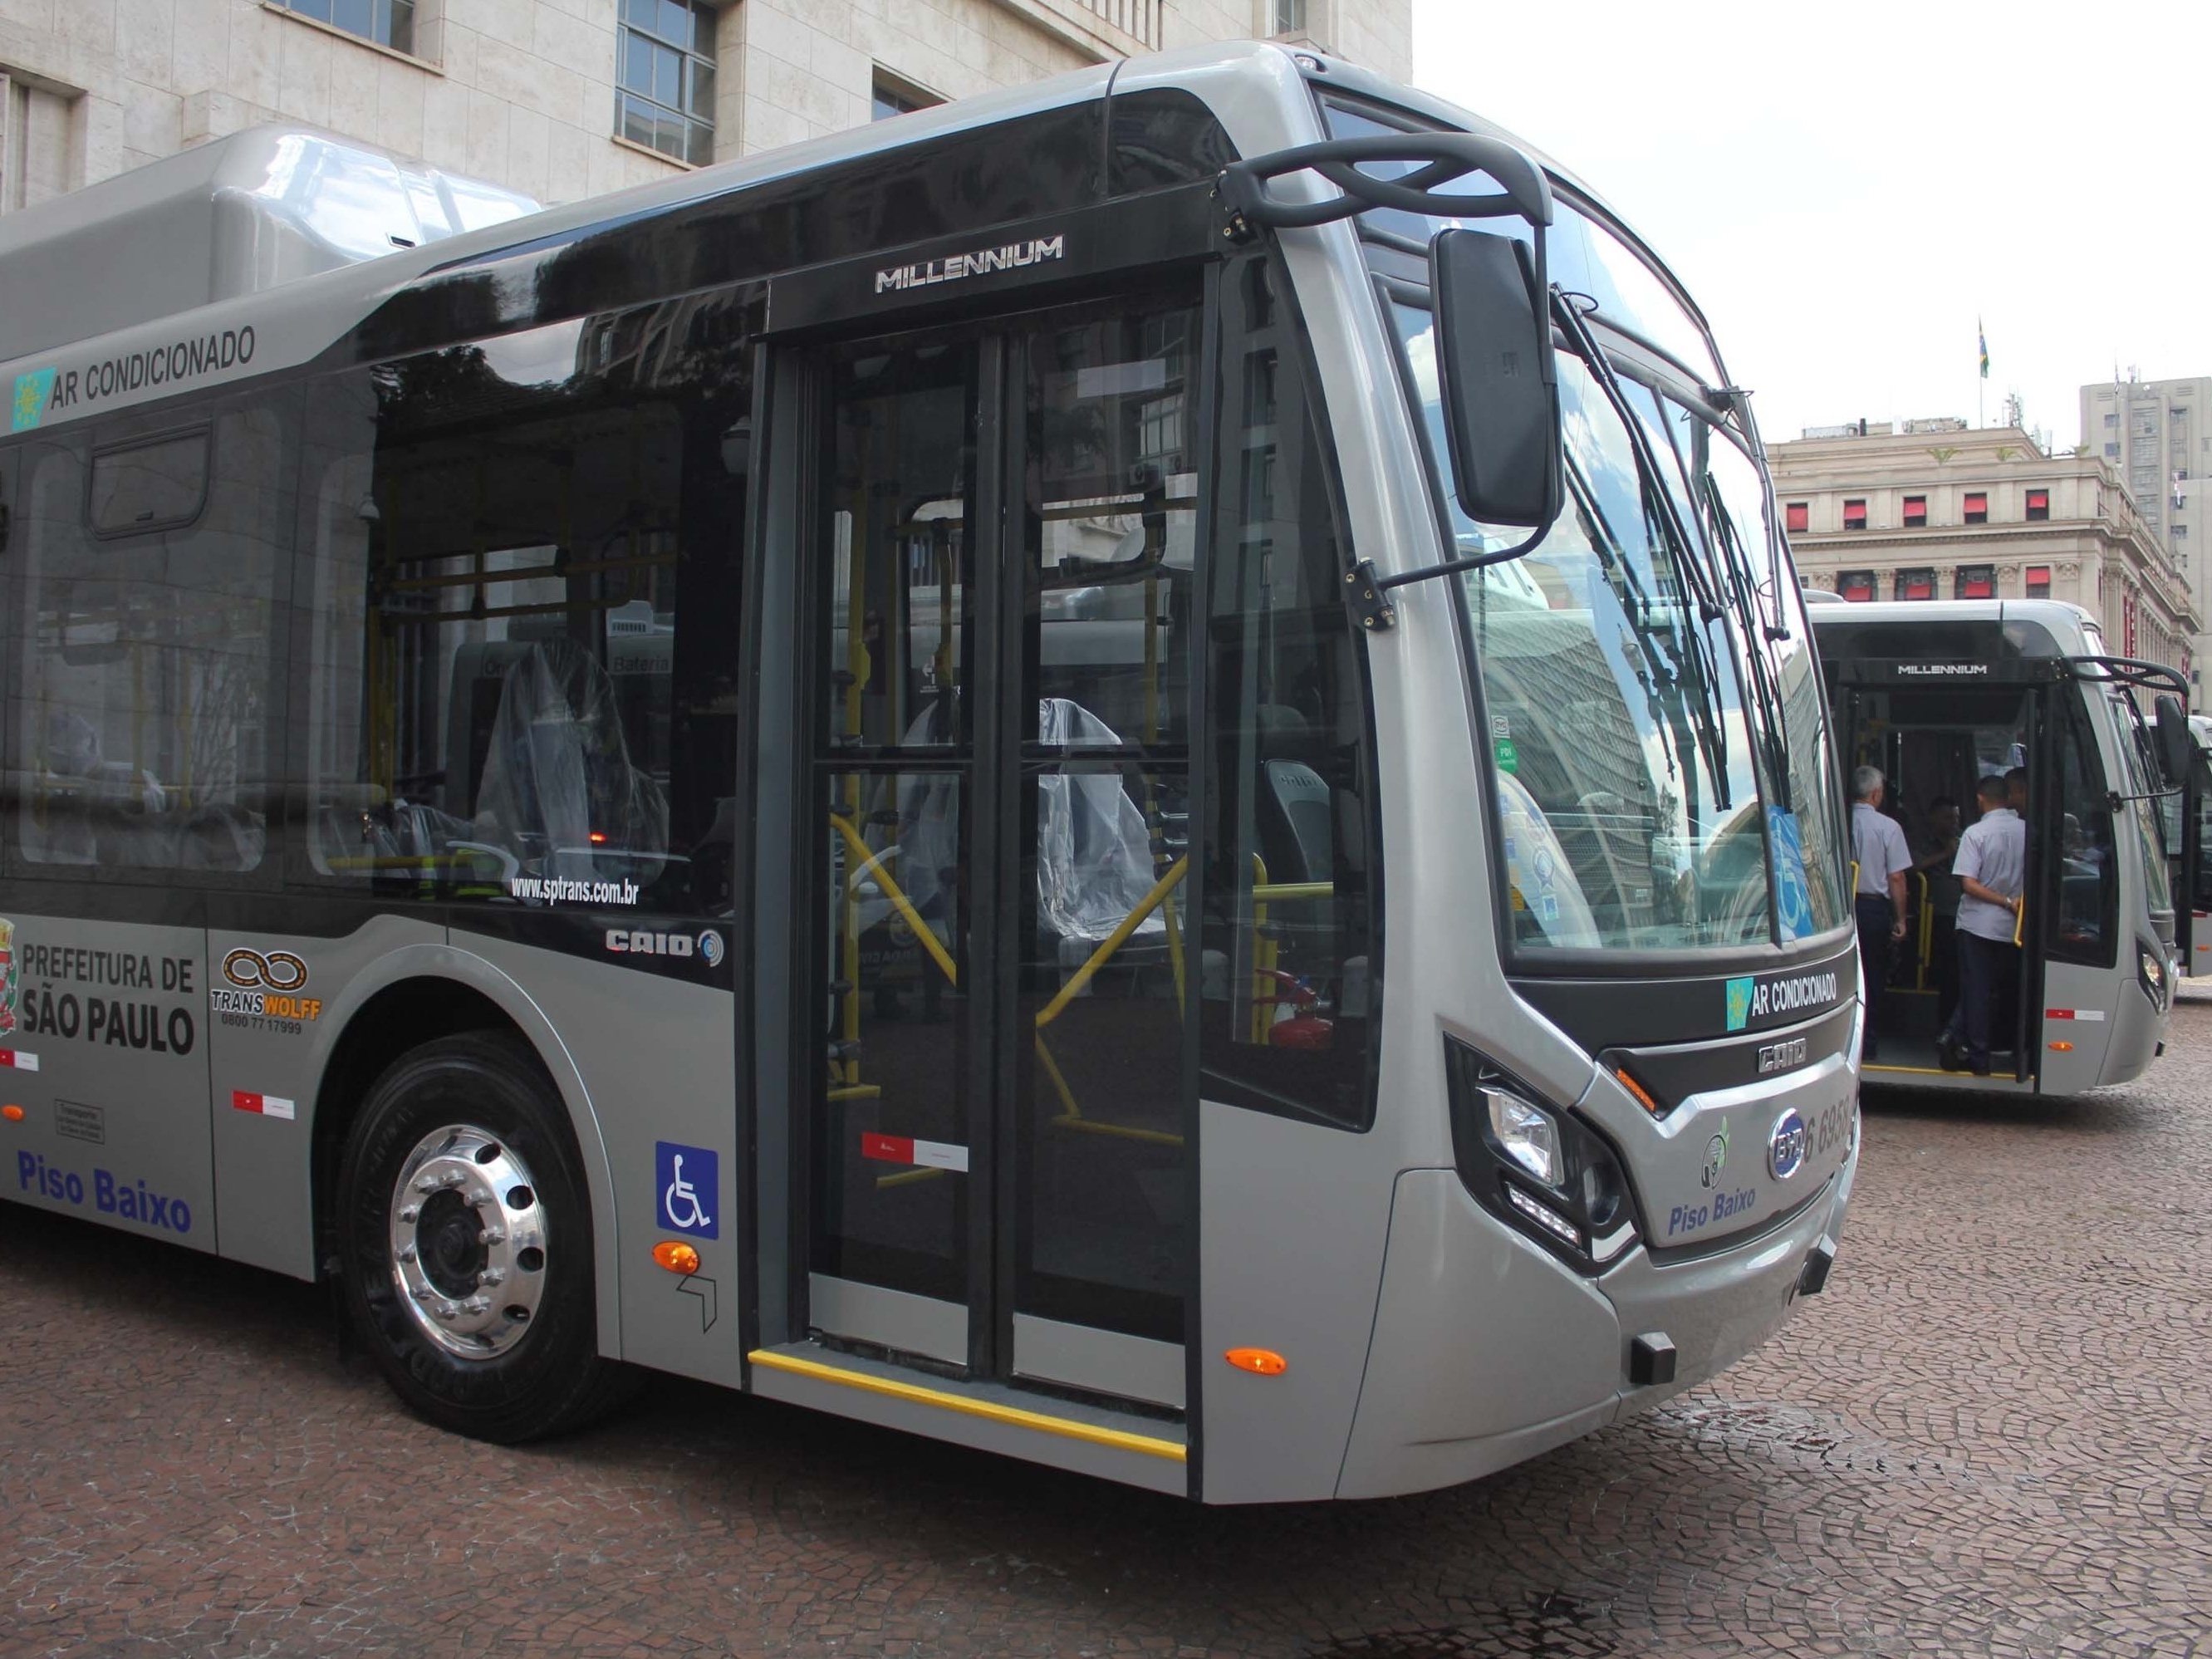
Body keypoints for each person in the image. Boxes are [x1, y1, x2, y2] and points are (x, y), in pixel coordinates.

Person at [1939, 773, 2027, 1076]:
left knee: (1976, 989)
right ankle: (2013, 1048)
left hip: (1978, 925)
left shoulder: (1975, 834)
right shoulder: (2028, 831)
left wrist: (2003, 900)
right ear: (2009, 797)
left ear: (1980, 799)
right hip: (2014, 927)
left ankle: (1978, 1056)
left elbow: (1968, 883)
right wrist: (2013, 904)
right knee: (2005, 989)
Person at [1850, 764, 1911, 1060]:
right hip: (1873, 909)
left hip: (1839, 909)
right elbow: (1897, 877)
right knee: (1872, 974)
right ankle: (1867, 1042)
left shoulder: (1835, 819)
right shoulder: (1889, 827)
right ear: (1876, 794)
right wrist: (1900, 919)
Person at [1913, 796, 1964, 1028]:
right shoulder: (1923, 841)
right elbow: (1912, 867)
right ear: (1933, 818)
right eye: (1947, 817)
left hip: (1962, 913)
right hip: (1933, 910)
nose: (1953, 823)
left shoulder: (1966, 839)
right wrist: (1945, 853)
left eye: (1956, 817)